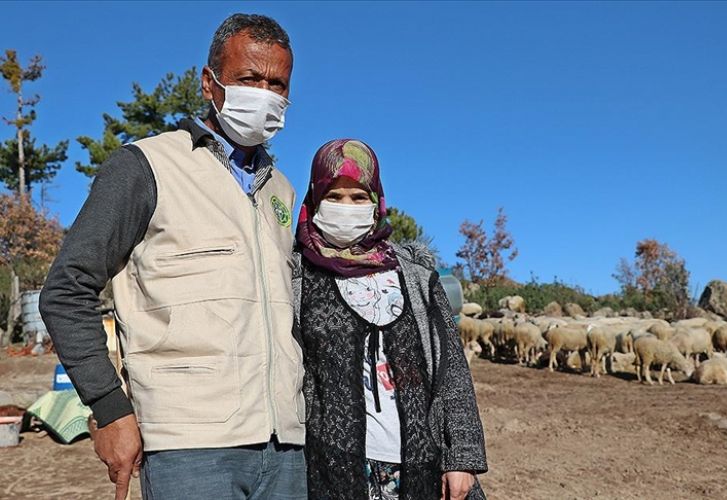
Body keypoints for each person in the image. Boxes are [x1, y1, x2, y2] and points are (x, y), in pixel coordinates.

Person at [39, 14, 307, 500]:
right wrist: (109, 408)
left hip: (287, 447)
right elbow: (66, 289)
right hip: (189, 447)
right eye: (249, 79)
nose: (264, 93)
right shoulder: (146, 166)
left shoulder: (282, 193)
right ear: (210, 83)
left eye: (277, 83)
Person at [292, 139, 488, 500]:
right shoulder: (297, 278)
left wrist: (461, 457)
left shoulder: (415, 276)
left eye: (358, 197)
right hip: (332, 465)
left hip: (419, 460)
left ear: (376, 201)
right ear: (314, 201)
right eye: (333, 197)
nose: (346, 207)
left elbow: (451, 372)